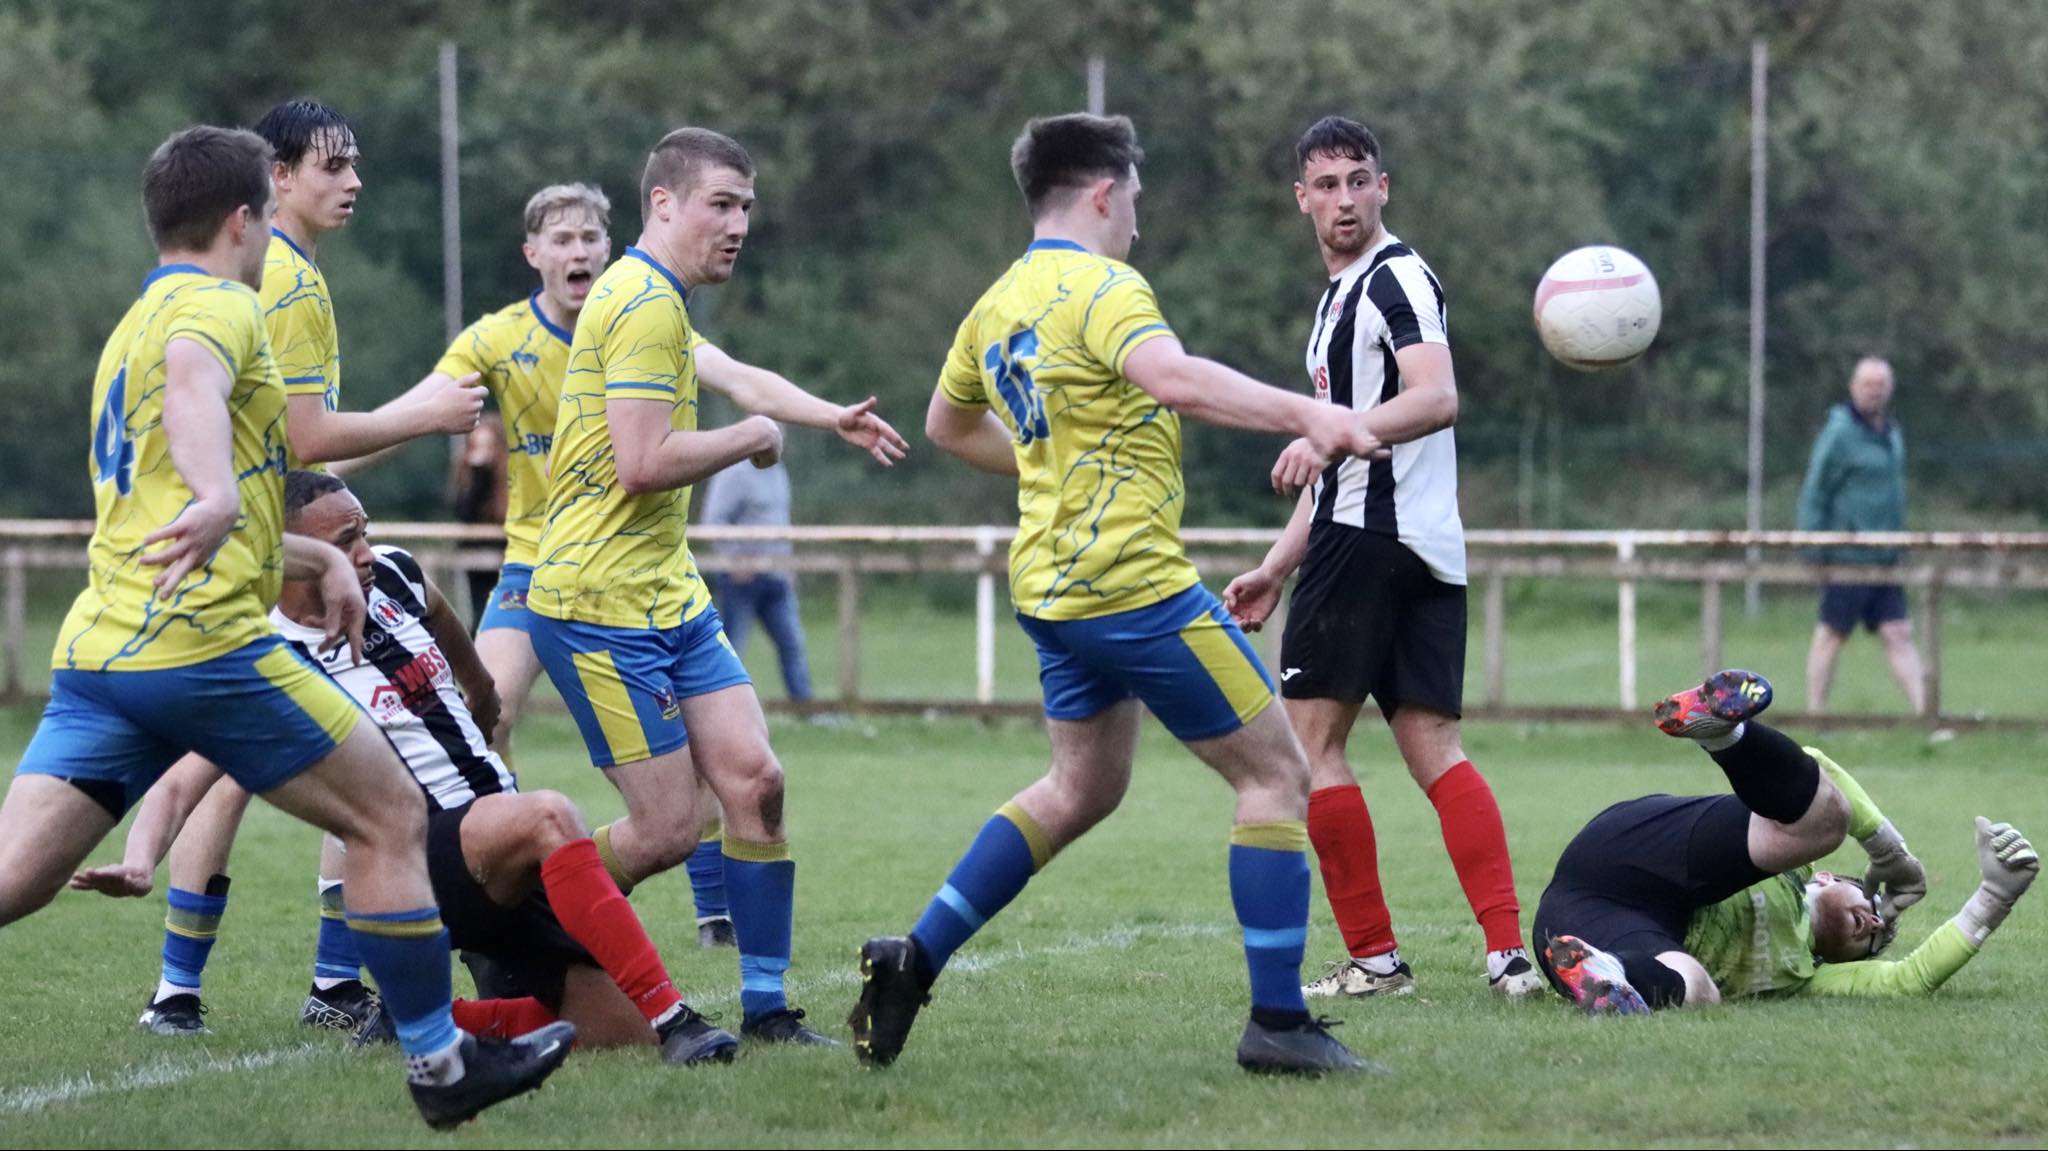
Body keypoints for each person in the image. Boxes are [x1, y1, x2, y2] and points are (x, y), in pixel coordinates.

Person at [0, 125, 569, 1128]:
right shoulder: (217, 305)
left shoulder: (133, 317)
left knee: (13, 880)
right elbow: (195, 385)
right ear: (243, 217)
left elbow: (175, 477)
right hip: (205, 645)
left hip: (101, 648)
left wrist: (303, 556)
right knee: (391, 814)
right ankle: (441, 1068)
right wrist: (221, 489)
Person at [850, 112, 1387, 1076]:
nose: (1137, 214)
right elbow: (1173, 380)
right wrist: (1312, 411)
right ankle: (1278, 1022)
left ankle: (913, 958)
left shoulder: (1000, 299)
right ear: (1104, 191)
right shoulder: (1103, 285)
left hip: (1051, 588)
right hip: (1133, 585)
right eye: (1134, 195)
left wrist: (1048, 465)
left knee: (1080, 786)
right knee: (1276, 776)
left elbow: (943, 422)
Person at [78, 471, 742, 1065]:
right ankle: (678, 1019)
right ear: (287, 559)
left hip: (497, 843)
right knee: (550, 814)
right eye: (344, 542)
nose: (364, 552)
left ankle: (429, 1020)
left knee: (613, 1030)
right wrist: (139, 861)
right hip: (411, 858)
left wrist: (481, 696)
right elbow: (181, 780)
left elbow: (454, 634)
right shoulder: (265, 658)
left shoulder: (394, 572)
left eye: (364, 530)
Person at [526, 126, 907, 1048]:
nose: (738, 223)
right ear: (664, 204)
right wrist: (748, 438)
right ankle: (521, 916)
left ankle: (769, 1009)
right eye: (721, 204)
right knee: (665, 828)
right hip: (595, 604)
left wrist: (825, 417)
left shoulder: (654, 296)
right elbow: (642, 463)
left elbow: (733, 374)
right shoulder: (642, 302)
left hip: (669, 593)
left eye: (746, 206)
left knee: (756, 781)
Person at [145, 98, 497, 1037]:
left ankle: (225, 987)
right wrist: (424, 411)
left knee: (258, 761)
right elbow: (306, 442)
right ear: (278, 177)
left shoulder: (272, 277)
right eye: (333, 166)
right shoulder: (289, 283)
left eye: (356, 165)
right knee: (319, 759)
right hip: (263, 555)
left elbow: (299, 459)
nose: (353, 182)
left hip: (256, 541)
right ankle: (298, 985)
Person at [1222, 117, 1539, 1000]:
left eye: (1359, 180)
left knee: (1306, 745)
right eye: (1326, 186)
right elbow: (1343, 453)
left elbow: (1435, 397)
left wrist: (1333, 439)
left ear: (1384, 187)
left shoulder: (1395, 277)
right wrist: (1279, 562)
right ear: (1302, 199)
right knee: (1435, 745)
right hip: (1418, 546)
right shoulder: (1338, 299)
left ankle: (1374, 958)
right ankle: (1509, 958)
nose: (1344, 200)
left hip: (1369, 542)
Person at [1537, 669, 2036, 1012]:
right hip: (1634, 849)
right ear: (1824, 879)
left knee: (1695, 985)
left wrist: (1995, 897)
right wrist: (1889, 852)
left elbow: (1909, 980)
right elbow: (1816, 760)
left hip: (1590, 927)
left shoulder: (1802, 976)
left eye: (1875, 941)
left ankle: (1610, 977)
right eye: (1873, 907)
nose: (1874, 925)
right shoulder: (1794, 870)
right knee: (1822, 821)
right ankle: (1721, 732)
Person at [1797, 356, 1926, 714]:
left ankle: (1926, 714)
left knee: (1898, 632)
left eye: (1880, 385)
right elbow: (1816, 489)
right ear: (1853, 387)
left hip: (1885, 556)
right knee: (1831, 634)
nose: (1874, 392)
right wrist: (1811, 544)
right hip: (1849, 555)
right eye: (1868, 384)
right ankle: (1815, 713)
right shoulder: (1839, 434)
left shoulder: (1891, 433)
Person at [699, 459, 815, 703]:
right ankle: (721, 709)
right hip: (743, 582)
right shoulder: (733, 472)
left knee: (792, 645)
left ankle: (806, 710)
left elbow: (780, 521)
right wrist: (734, 559)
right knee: (730, 651)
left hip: (777, 578)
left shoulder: (778, 469)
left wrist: (788, 566)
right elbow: (713, 520)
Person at [449, 414, 509, 630]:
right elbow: (464, 513)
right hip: (475, 558)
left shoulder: (509, 480)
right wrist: (479, 473)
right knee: (478, 615)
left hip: (505, 556)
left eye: (487, 445)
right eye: (476, 445)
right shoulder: (468, 475)